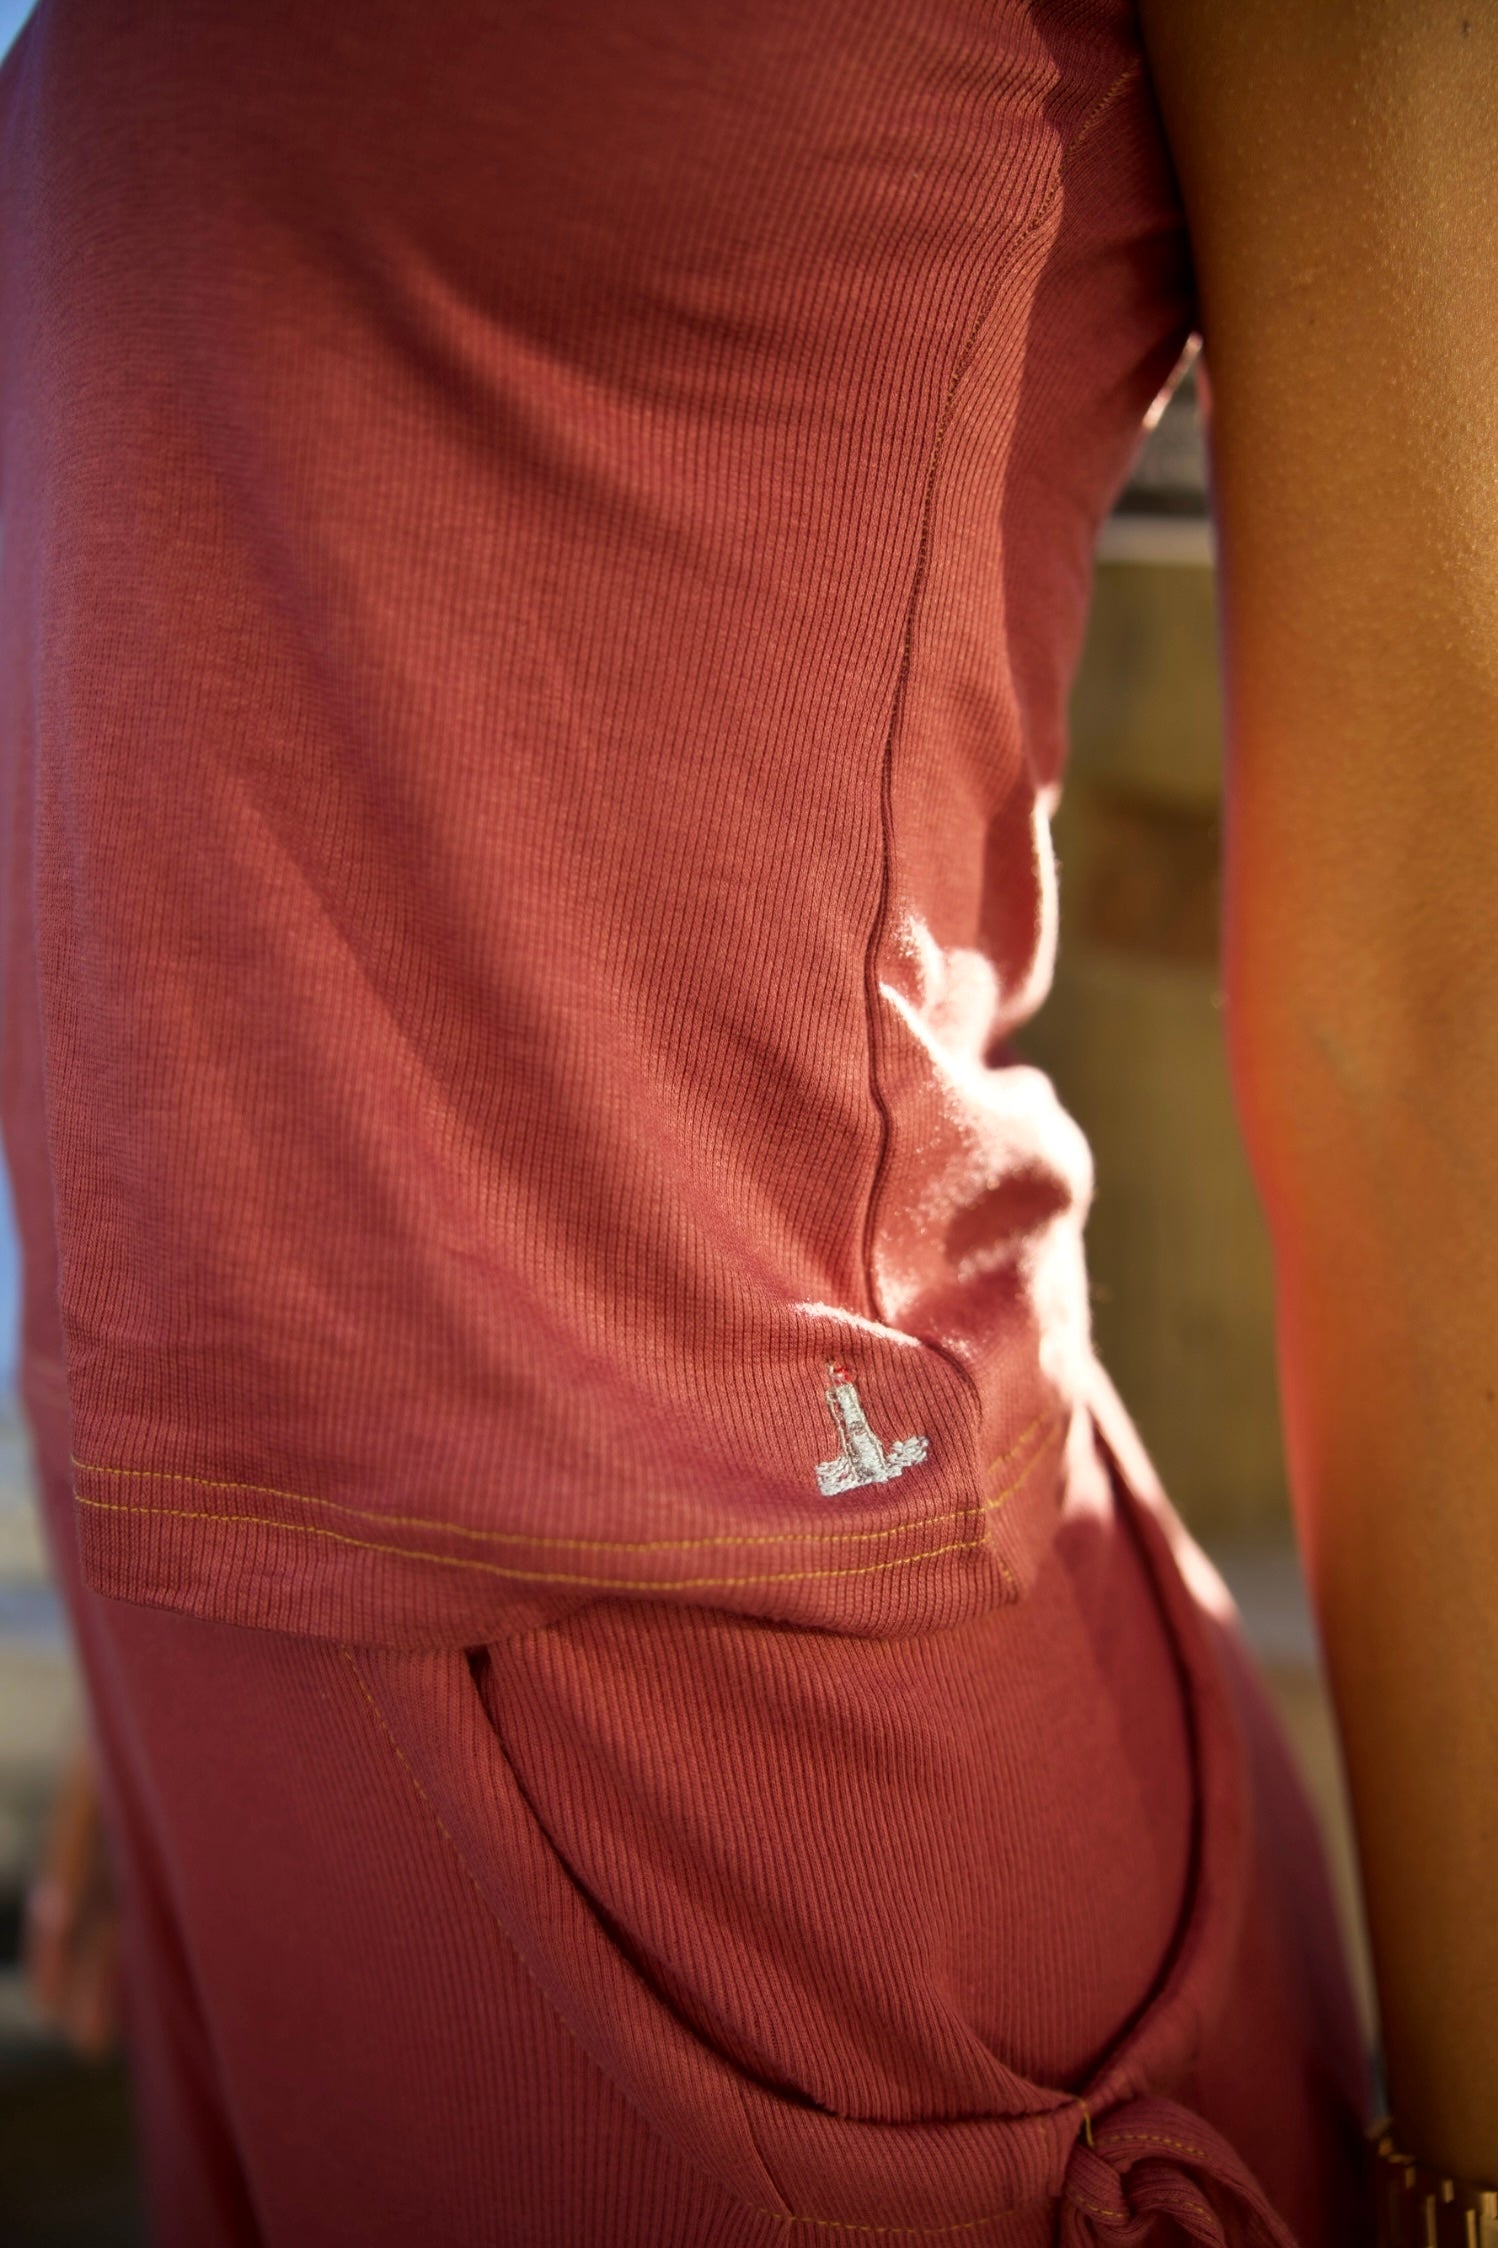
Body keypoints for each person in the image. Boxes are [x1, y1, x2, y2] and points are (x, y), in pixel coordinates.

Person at [4, 0, 1493, 2240]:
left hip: (759, 1831)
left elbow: (1433, 997)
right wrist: (239, 1547)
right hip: (232, 1699)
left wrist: (1474, 2168)